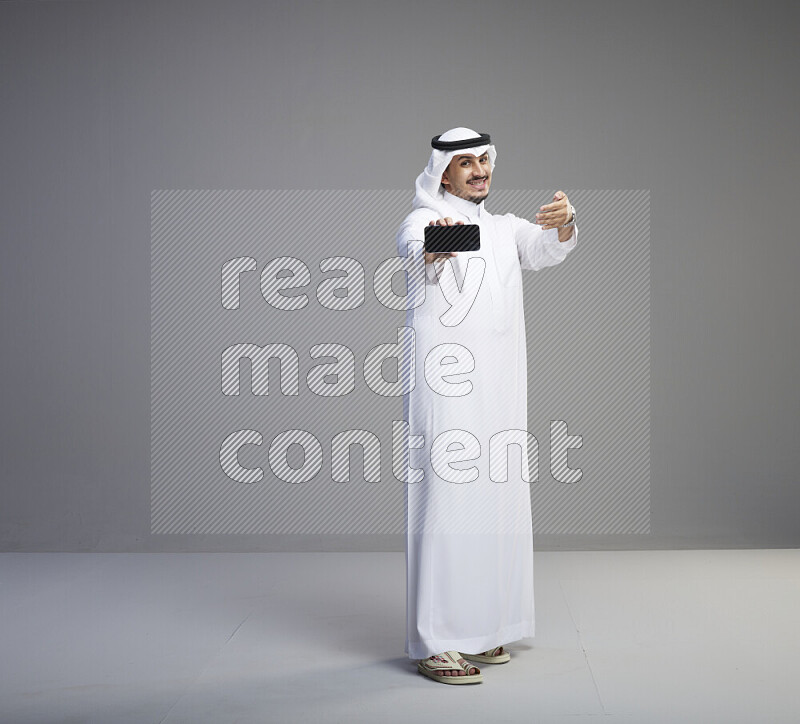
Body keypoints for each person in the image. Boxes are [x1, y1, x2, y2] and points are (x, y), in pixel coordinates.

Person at [395, 127, 578, 684]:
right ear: (443, 172)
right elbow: (416, 246)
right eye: (466, 163)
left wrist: (565, 221)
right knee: (448, 501)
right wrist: (443, 238)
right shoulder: (422, 218)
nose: (479, 170)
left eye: (485, 161)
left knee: (496, 498)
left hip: (499, 387)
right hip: (445, 385)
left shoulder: (503, 229)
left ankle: (483, 628)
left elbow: (547, 250)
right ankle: (436, 641)